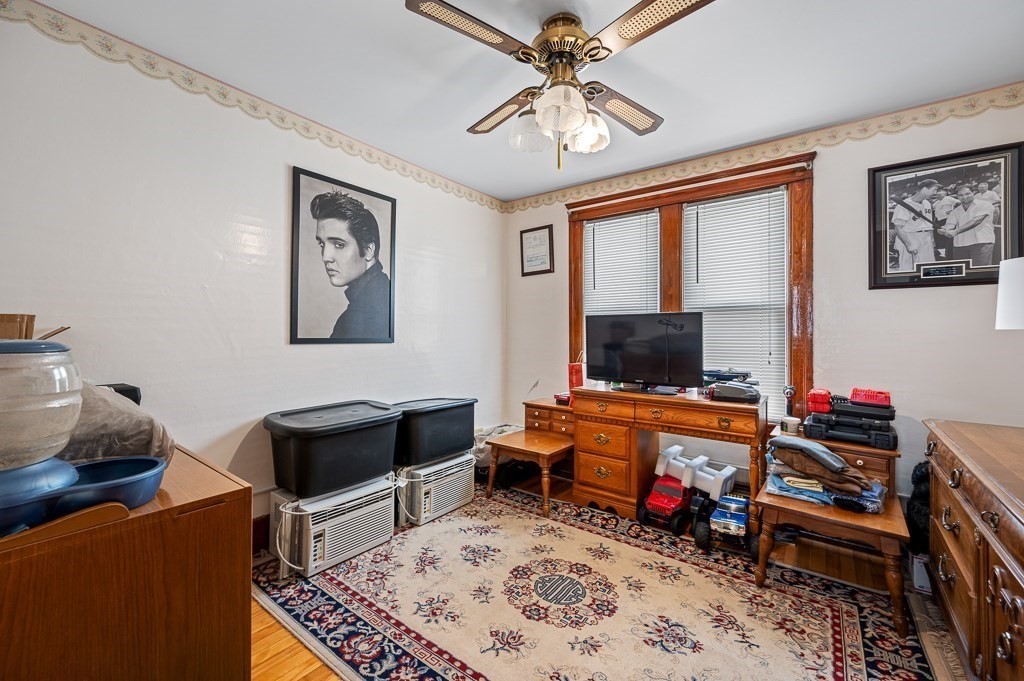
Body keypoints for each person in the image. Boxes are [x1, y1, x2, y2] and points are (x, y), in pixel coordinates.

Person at [309, 190, 391, 339]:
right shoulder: (384, 294)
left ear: (368, 250)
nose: (326, 257)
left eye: (339, 244)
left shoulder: (357, 319)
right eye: (321, 243)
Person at [890, 178, 938, 272]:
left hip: (926, 237)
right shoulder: (904, 205)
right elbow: (898, 227)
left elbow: (928, 224)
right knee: (909, 269)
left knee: (927, 269)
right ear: (924, 189)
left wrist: (932, 240)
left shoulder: (927, 203)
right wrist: (909, 244)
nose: (935, 193)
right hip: (910, 237)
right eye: (934, 190)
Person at [941, 185, 996, 267]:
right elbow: (950, 224)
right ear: (957, 197)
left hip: (981, 242)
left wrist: (955, 231)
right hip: (960, 244)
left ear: (973, 193)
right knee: (962, 273)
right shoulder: (955, 211)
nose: (964, 197)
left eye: (967, 193)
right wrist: (944, 229)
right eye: (961, 195)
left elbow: (976, 220)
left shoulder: (985, 204)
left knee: (981, 272)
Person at [931, 188, 960, 260]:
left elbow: (959, 203)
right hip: (939, 221)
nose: (938, 194)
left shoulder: (948, 198)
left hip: (948, 220)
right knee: (942, 238)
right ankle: (945, 253)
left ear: (945, 193)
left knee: (949, 237)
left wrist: (953, 211)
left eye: (940, 193)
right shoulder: (936, 202)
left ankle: (952, 254)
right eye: (937, 193)